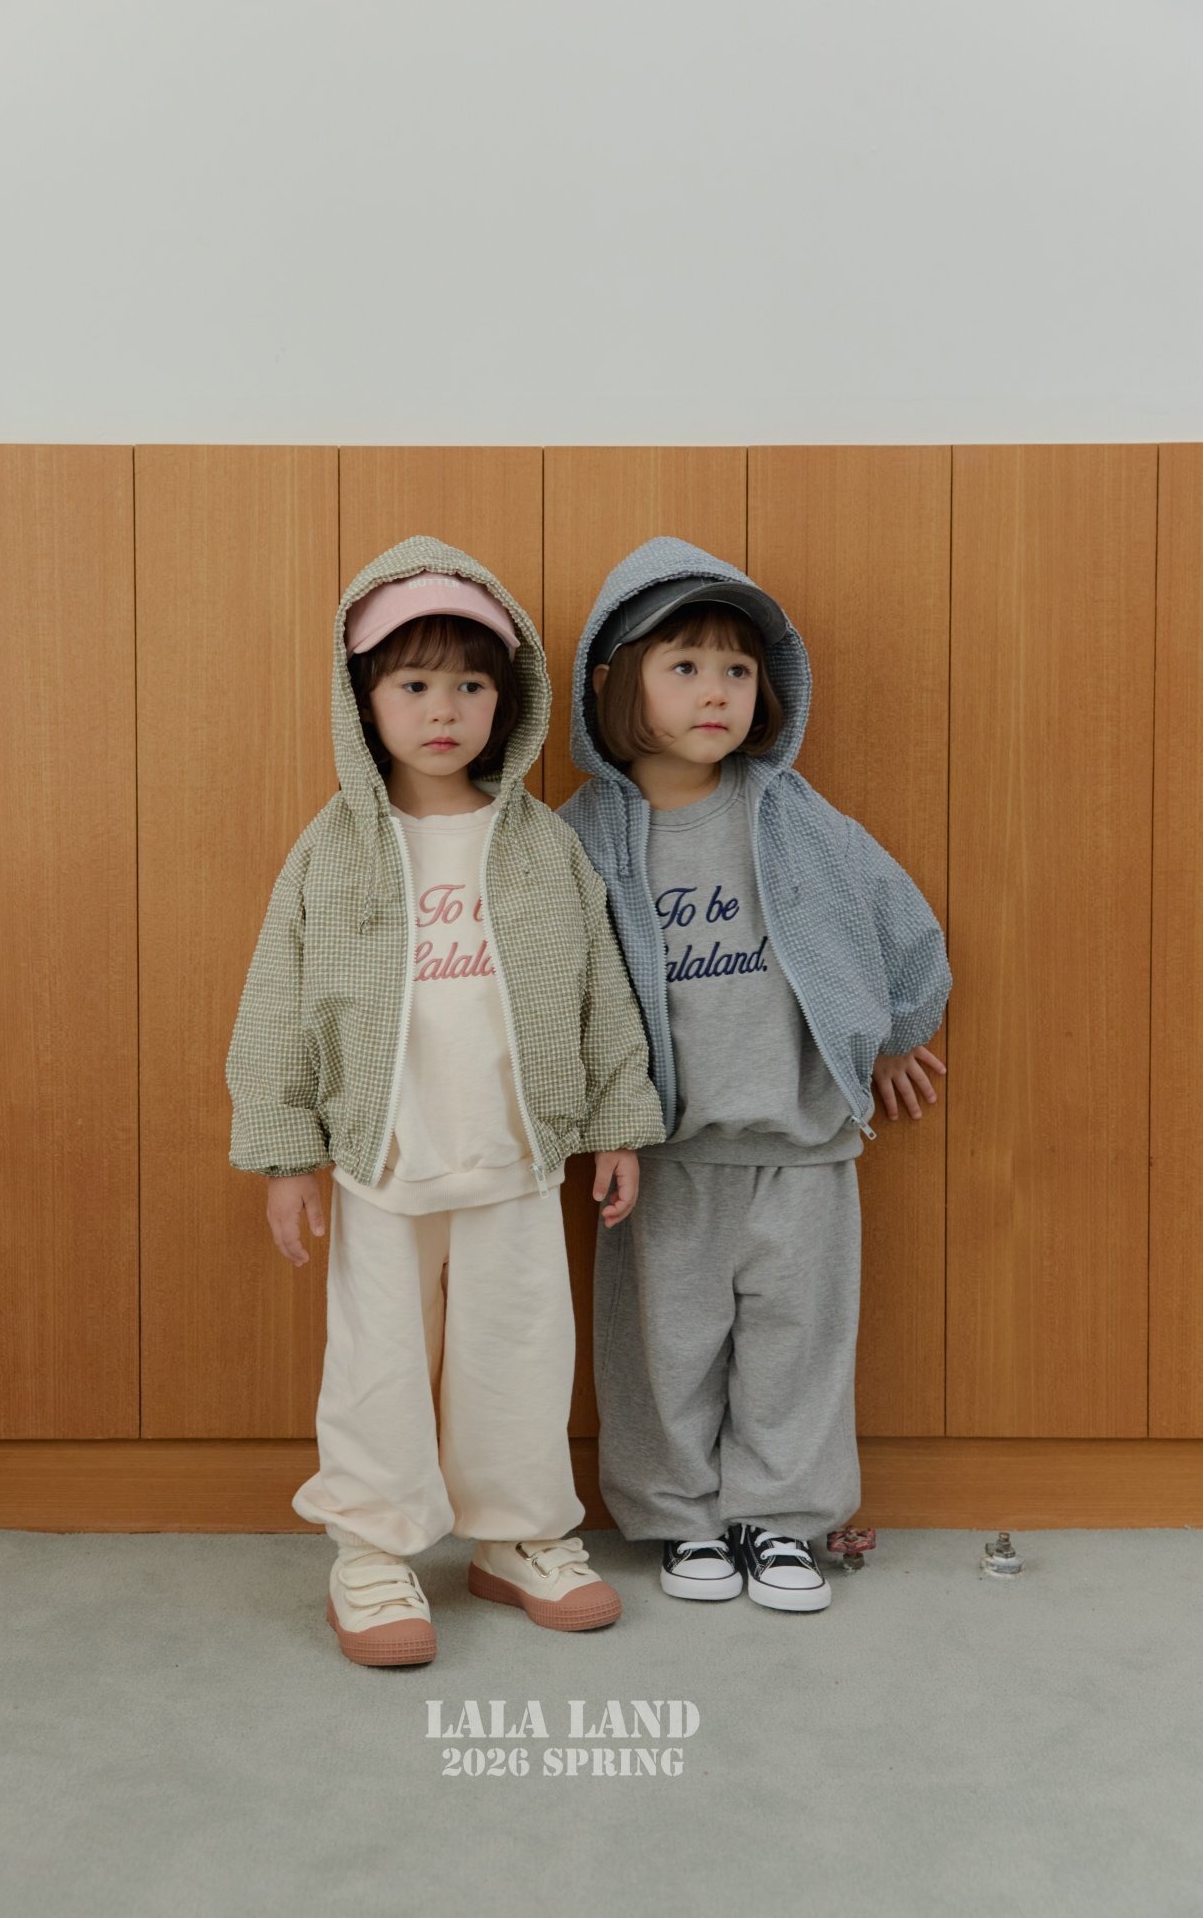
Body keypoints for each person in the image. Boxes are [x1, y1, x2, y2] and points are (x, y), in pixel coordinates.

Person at [226, 534, 664, 1668]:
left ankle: (516, 1538)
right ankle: (371, 1551)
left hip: (517, 1155)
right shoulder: (331, 853)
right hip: (382, 1161)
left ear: (505, 702)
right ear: (363, 700)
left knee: (519, 1351)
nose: (443, 710)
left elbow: (601, 992)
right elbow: (277, 1002)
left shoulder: (541, 848)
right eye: (413, 684)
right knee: (376, 1361)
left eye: (470, 686)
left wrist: (617, 1122)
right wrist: (284, 1151)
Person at [558, 536, 952, 1613]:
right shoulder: (582, 836)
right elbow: (554, 981)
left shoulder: (786, 812)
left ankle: (782, 1520)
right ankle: (679, 1518)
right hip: (659, 1157)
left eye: (737, 669)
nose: (716, 692)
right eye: (684, 666)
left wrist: (894, 1029)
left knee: (797, 1341)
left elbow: (891, 912)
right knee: (661, 1351)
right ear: (617, 684)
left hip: (800, 1145)